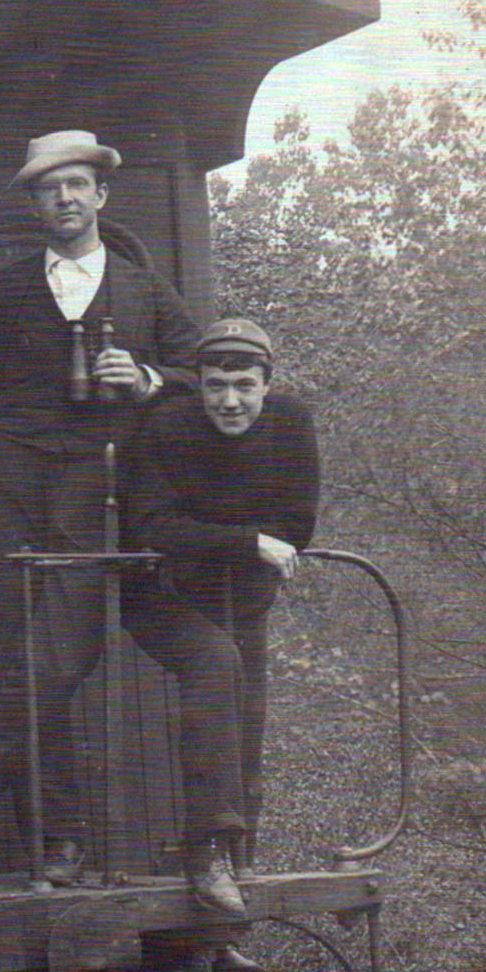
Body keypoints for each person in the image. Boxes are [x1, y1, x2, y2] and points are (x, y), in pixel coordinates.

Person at [0, 129, 202, 872]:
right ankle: (59, 838)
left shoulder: (144, 289)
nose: (64, 198)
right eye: (50, 189)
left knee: (57, 656)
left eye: (77, 184)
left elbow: (198, 368)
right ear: (35, 205)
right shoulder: (6, 288)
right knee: (28, 653)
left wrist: (146, 379)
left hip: (97, 487)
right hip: (9, 487)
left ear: (100, 195)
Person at [122, 317, 319, 918]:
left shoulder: (291, 425)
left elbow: (296, 526)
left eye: (243, 386)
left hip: (243, 600)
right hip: (164, 595)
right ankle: (206, 854)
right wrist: (246, 540)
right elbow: (152, 526)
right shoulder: (167, 426)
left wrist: (217, 537)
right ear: (199, 384)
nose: (229, 401)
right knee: (214, 663)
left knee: (246, 735)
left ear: (267, 384)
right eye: (215, 385)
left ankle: (226, 925)